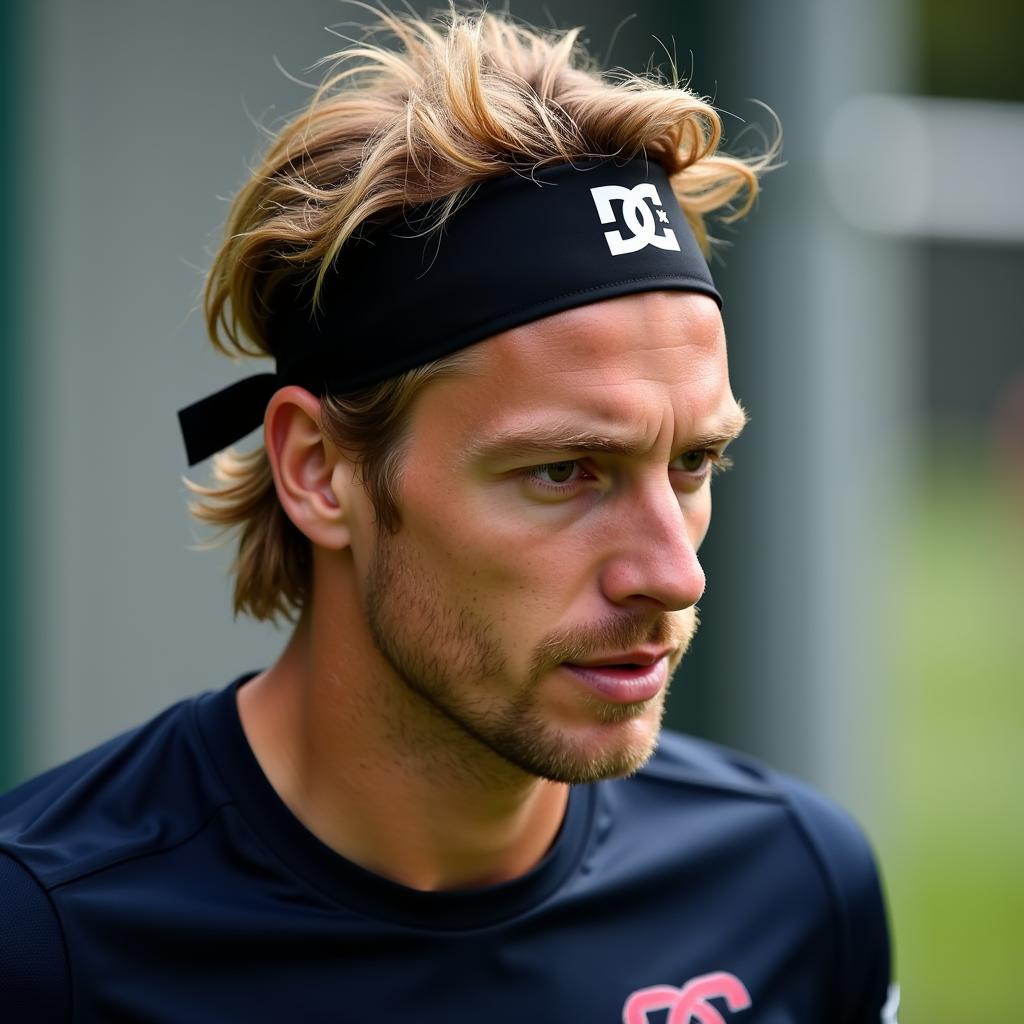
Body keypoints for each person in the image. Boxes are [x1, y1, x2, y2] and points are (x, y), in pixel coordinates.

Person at [0, 8, 897, 1022]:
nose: (672, 573)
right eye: (564, 471)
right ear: (319, 470)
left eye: (691, 463)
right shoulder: (44, 942)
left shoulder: (792, 886)